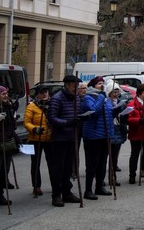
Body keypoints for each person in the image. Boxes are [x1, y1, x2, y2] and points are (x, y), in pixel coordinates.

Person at [46, 75, 83, 207]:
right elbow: (52, 118)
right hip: (60, 138)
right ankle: (56, 195)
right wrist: (67, 122)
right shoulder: (57, 98)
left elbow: (78, 113)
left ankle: (67, 192)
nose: (76, 88)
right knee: (58, 168)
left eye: (77, 86)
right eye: (74, 85)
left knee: (68, 168)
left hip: (73, 137)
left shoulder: (77, 98)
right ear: (67, 85)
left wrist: (82, 119)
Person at [81, 77, 114, 200]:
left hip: (105, 134)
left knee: (102, 163)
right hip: (93, 135)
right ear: (93, 85)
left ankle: (99, 186)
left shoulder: (105, 98)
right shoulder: (88, 97)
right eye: (99, 84)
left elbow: (108, 113)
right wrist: (102, 97)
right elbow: (93, 111)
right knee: (92, 163)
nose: (101, 85)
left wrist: (118, 109)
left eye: (102, 83)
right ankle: (88, 190)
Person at [24, 86, 52, 197]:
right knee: (35, 164)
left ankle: (55, 185)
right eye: (42, 92)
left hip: (49, 139)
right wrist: (34, 129)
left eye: (46, 92)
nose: (44, 94)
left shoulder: (52, 104)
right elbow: (26, 122)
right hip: (35, 139)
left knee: (53, 163)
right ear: (37, 95)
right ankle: (36, 186)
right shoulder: (32, 106)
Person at [108, 82, 128, 185]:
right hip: (109, 129)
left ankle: (113, 177)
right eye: (114, 92)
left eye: (117, 91)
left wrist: (125, 115)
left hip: (118, 129)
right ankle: (102, 178)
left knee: (114, 156)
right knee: (106, 156)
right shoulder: (106, 102)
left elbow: (124, 117)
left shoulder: (121, 102)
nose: (116, 94)